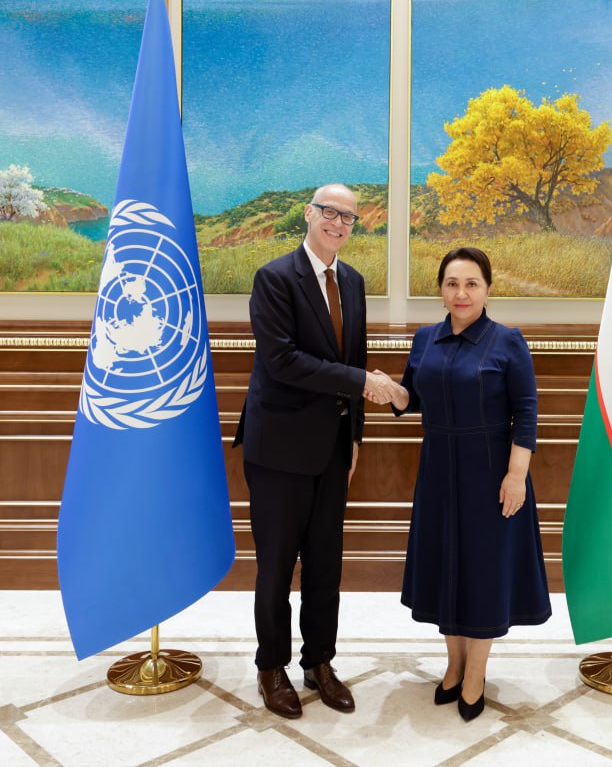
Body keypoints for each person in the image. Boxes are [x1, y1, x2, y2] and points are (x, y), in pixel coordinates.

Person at [234, 183, 397, 719]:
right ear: (309, 214)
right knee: (276, 568)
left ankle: (319, 662)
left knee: (326, 567)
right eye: (330, 212)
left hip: (332, 448)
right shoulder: (275, 277)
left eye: (349, 217)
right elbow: (282, 361)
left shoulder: (353, 281)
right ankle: (271, 667)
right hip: (278, 450)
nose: (339, 223)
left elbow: (357, 357)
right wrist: (362, 382)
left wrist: (355, 437)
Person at [375, 247, 551, 722]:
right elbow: (413, 399)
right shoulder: (425, 339)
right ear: (441, 290)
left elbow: (527, 412)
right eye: (452, 283)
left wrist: (517, 475)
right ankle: (453, 665)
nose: (461, 293)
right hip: (437, 470)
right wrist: (392, 391)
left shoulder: (507, 341)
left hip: (491, 473)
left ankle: (476, 673)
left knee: (482, 574)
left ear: (488, 289)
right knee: (445, 568)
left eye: (472, 283)